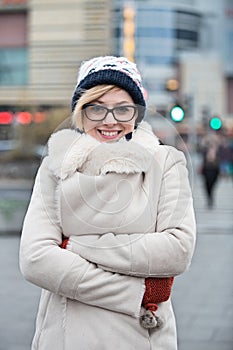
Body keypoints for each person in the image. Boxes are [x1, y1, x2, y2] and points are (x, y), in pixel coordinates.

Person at [19, 56, 196, 350]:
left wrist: (73, 246)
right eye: (97, 107)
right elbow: (36, 259)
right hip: (68, 335)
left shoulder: (165, 164)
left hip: (141, 336)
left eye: (122, 109)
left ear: (136, 114)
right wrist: (136, 293)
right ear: (81, 112)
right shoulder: (55, 168)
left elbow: (177, 249)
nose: (110, 120)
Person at [200, 139, 220, 208]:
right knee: (207, 187)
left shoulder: (217, 154)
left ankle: (210, 198)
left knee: (212, 187)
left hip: (214, 171)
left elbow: (218, 165)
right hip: (207, 171)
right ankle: (209, 198)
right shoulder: (205, 153)